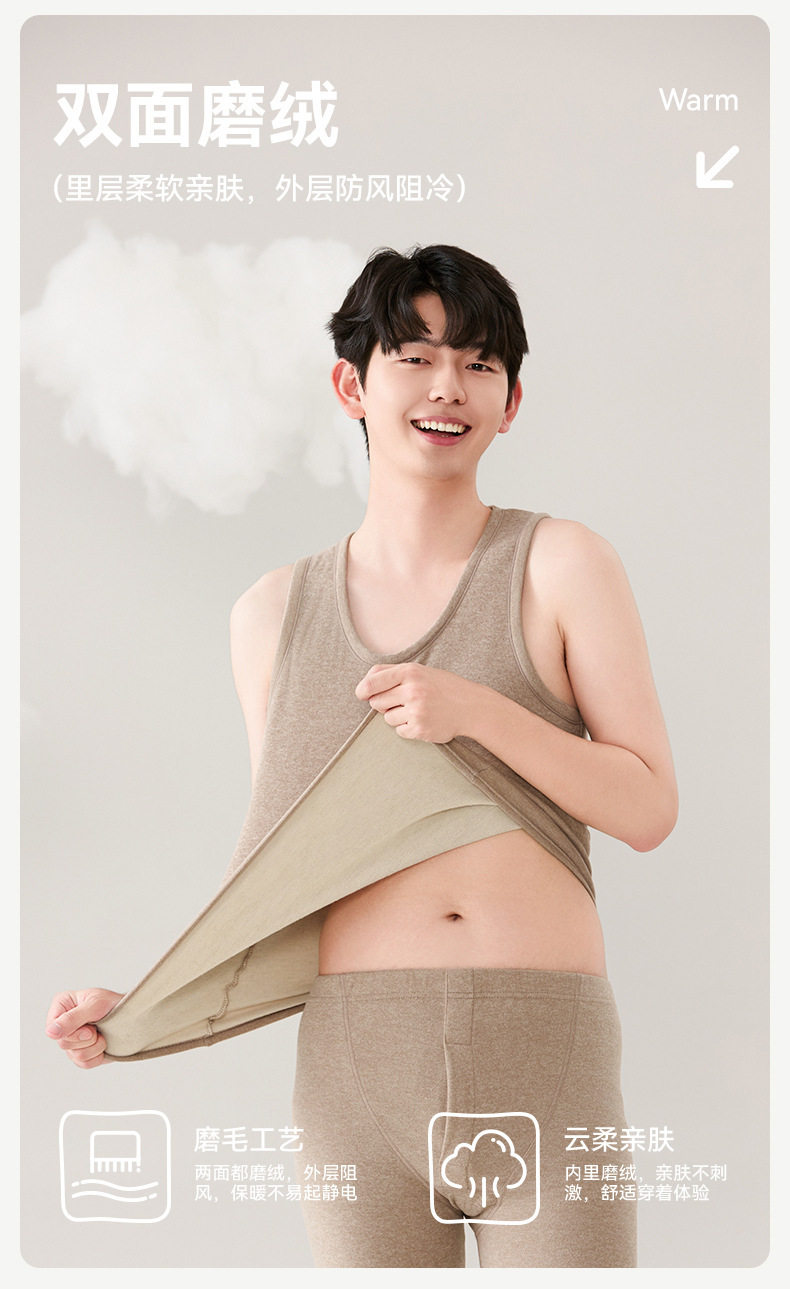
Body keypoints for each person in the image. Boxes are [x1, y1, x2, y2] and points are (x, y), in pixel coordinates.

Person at [46, 244, 678, 1268]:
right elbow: (283, 868)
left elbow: (648, 806)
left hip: (545, 1047)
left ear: (512, 401)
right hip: (357, 1066)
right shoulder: (270, 614)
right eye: (415, 356)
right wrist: (153, 1007)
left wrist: (479, 711)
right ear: (352, 385)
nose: (447, 386)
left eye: (479, 363)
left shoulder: (562, 563)